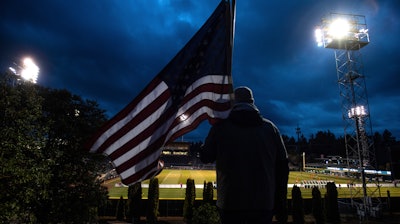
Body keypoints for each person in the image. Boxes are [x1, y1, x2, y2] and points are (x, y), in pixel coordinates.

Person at [200, 86, 289, 224]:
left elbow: (205, 157)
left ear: (233, 103)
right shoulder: (271, 129)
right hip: (264, 204)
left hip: (230, 203)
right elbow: (283, 167)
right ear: (252, 102)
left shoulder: (221, 128)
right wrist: (281, 203)